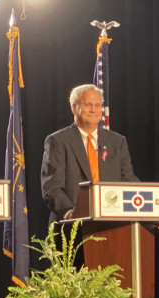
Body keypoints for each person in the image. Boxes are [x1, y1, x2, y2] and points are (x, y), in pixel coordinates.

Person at [41, 84, 139, 224]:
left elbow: (129, 181)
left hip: (112, 224)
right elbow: (52, 187)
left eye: (97, 105)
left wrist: (147, 213)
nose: (94, 109)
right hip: (71, 227)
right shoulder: (57, 141)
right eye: (88, 105)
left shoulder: (117, 141)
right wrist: (70, 213)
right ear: (74, 108)